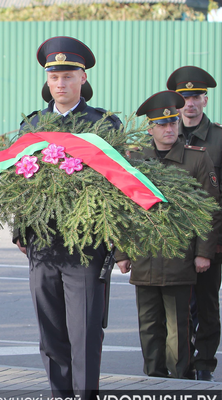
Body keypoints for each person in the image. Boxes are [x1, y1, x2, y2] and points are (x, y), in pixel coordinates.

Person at [14, 36, 121, 400]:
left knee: (85, 332)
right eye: (54, 76)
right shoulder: (33, 124)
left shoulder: (103, 124)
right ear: (47, 81)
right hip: (42, 245)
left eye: (68, 76)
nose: (61, 83)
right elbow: (18, 181)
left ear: (83, 78)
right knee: (51, 332)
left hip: (86, 245)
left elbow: (118, 185)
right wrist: (20, 229)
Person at [115, 90, 220, 379]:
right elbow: (123, 208)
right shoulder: (135, 159)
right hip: (144, 258)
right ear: (150, 129)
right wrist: (122, 253)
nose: (170, 129)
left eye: (173, 122)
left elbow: (210, 211)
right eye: (162, 125)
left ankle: (181, 380)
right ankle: (153, 379)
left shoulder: (196, 159)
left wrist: (203, 253)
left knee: (178, 328)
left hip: (180, 259)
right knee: (149, 326)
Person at [167, 66, 222, 381]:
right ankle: (181, 363)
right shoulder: (165, 132)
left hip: (209, 235)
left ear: (205, 100)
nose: (190, 103)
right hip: (173, 238)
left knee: (206, 303)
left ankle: (204, 364)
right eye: (184, 97)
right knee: (176, 306)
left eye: (196, 97)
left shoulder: (218, 137)